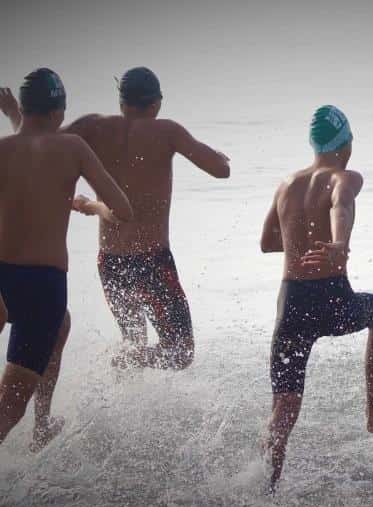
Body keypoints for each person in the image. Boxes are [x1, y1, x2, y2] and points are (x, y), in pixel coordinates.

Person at [3, 67, 231, 370]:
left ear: (121, 102)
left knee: (133, 342)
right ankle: (121, 365)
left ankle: (122, 393)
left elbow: (40, 142)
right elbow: (221, 170)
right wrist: (215, 153)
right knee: (180, 353)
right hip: (152, 262)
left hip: (111, 262)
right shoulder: (167, 131)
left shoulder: (92, 127)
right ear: (156, 103)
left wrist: (13, 113)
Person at [261, 105, 373, 488]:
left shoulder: (286, 184)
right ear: (346, 142)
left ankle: (264, 487)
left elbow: (267, 242)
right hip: (331, 299)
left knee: (283, 410)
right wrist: (339, 244)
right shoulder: (346, 175)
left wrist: (298, 244)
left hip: (291, 302)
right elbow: (342, 203)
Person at [0, 68, 132, 450]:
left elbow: (31, 147)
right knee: (7, 413)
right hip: (42, 288)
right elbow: (122, 209)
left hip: (3, 280)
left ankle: (42, 425)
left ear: (23, 109)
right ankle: (36, 424)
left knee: (62, 327)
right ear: (59, 111)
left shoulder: (5, 149)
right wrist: (94, 207)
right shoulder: (73, 147)